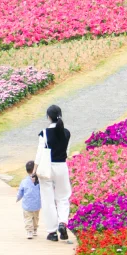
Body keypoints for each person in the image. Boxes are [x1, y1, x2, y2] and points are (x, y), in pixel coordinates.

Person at [38, 104, 72, 242]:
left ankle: (52, 232)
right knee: (63, 197)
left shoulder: (44, 133)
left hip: (47, 167)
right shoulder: (67, 133)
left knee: (48, 200)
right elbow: (67, 152)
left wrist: (34, 171)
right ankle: (62, 222)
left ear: (48, 117)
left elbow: (39, 154)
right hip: (62, 167)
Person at [17, 158, 42, 239]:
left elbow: (21, 191)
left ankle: (29, 231)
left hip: (27, 204)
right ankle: (35, 229)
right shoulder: (39, 181)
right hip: (37, 204)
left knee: (28, 218)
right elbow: (42, 191)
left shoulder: (24, 181)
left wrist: (18, 198)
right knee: (36, 218)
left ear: (27, 170)